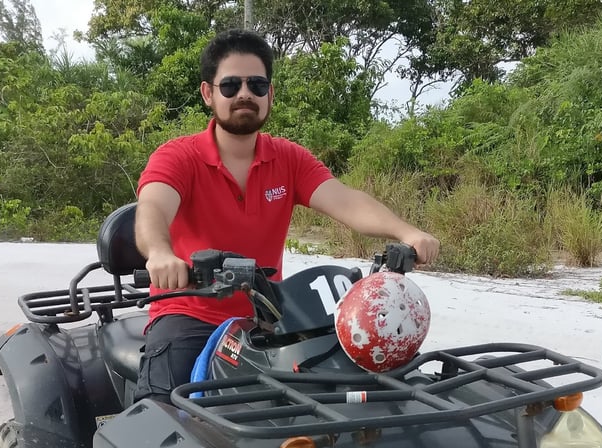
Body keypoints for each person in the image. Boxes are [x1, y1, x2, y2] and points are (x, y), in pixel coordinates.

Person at [134, 28, 440, 403]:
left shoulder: (289, 159)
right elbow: (153, 208)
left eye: (257, 84)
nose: (244, 94)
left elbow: (345, 200)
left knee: (362, 395)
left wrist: (406, 231)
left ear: (270, 95)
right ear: (208, 94)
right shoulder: (178, 156)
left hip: (273, 317)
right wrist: (161, 254)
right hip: (189, 316)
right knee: (164, 421)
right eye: (230, 85)